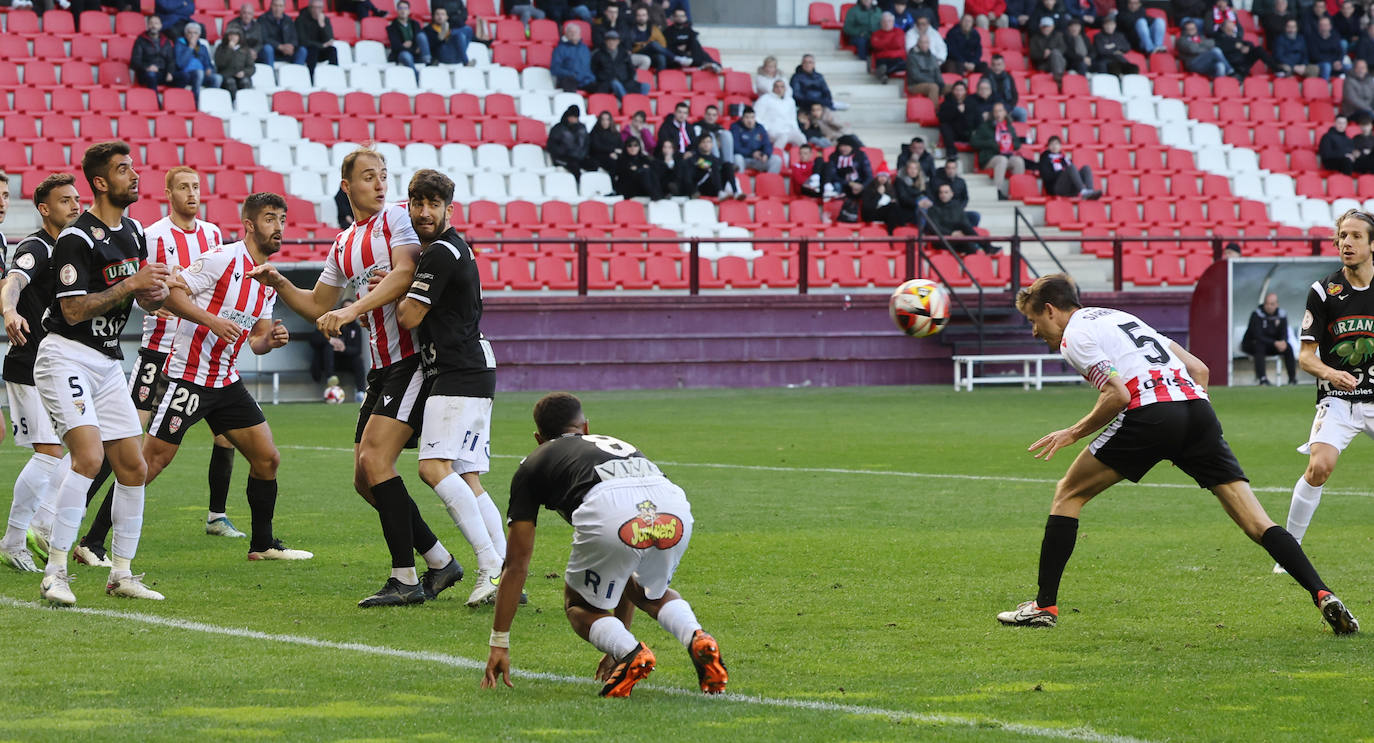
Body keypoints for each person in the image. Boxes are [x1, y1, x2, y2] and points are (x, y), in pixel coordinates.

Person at [999, 274, 1359, 636]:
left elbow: (1117, 395)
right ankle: (1322, 593)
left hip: (1151, 412)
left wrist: (1072, 433)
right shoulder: (1121, 318)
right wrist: (1184, 434)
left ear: (1050, 309)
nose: (1034, 331)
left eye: (1034, 320)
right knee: (1257, 523)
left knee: (1068, 494)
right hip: (1196, 411)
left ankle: (1043, 606)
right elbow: (1199, 369)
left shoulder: (1074, 336)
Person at [246, 148, 462, 608]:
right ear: (347, 187)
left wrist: (351, 309)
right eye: (368, 177)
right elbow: (319, 304)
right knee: (365, 480)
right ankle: (441, 561)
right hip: (381, 370)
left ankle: (404, 578)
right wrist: (280, 283)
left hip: (411, 363)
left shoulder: (399, 221)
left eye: (383, 175)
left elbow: (405, 271)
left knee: (377, 464)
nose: (380, 184)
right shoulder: (344, 243)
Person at [479, 392, 728, 697]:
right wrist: (616, 644)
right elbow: (625, 567)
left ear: (538, 438)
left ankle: (631, 653)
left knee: (579, 605)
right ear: (585, 427)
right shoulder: (616, 444)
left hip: (610, 506)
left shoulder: (534, 462)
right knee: (651, 592)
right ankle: (696, 636)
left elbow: (516, 564)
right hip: (670, 503)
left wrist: (499, 642)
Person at [138, 192, 311, 567]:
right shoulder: (222, 257)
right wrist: (212, 320)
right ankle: (95, 542)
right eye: (269, 219)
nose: (278, 227)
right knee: (151, 463)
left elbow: (258, 340)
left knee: (267, 459)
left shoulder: (267, 279)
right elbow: (171, 292)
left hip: (226, 381)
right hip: (189, 377)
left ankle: (263, 544)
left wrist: (272, 339)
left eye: (281, 219)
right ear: (249, 224)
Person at [78, 167, 241, 563]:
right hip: (158, 349)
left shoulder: (213, 235)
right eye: (183, 187)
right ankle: (79, 506)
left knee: (226, 436)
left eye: (196, 186)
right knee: (128, 436)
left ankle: (217, 515)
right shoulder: (151, 235)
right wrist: (161, 301)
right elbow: (137, 289)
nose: (191, 193)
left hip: (198, 352)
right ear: (168, 193)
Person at [34, 141, 172, 606]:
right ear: (99, 182)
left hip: (109, 361)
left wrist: (157, 293)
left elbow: (141, 296)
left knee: (133, 466)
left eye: (132, 167)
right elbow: (72, 310)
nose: (134, 175)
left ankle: (122, 574)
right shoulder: (77, 238)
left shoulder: (133, 231)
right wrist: (131, 283)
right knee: (89, 458)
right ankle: (55, 573)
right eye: (121, 169)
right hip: (66, 355)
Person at [389, 170, 508, 606]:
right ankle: (508, 571)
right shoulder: (455, 248)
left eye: (433, 204)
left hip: (456, 370)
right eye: (417, 203)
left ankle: (490, 566)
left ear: (448, 210)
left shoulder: (438, 253)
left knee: (432, 467)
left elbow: (409, 318)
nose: (424, 212)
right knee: (467, 475)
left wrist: (394, 285)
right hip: (474, 367)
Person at [1276, 208, 1374, 574]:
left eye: (1355, 236)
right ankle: (1289, 551)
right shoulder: (1324, 291)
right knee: (1319, 467)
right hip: (1339, 399)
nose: (1346, 243)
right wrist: (1332, 373)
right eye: (1342, 236)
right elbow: (1305, 357)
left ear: (1372, 244)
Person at [0, 174, 81, 573]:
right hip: (28, 363)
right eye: (65, 200)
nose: (76, 205)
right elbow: (14, 279)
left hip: (60, 365)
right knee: (50, 452)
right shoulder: (36, 246)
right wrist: (10, 309)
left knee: (84, 446)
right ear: (45, 209)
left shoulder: (73, 247)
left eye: (77, 198)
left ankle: (42, 524)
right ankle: (15, 539)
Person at [309, 300, 367, 399]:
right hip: (326, 362)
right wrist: (330, 340)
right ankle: (331, 380)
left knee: (358, 360)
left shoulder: (355, 327)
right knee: (328, 347)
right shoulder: (330, 321)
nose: (348, 311)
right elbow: (314, 339)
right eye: (345, 308)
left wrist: (344, 349)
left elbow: (357, 350)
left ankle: (361, 393)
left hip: (345, 360)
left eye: (351, 308)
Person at [971, 102, 1027, 200]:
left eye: (1000, 111)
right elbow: (974, 142)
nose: (998, 114)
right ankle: (997, 191)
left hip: (1007, 155)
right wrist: (991, 144)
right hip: (989, 158)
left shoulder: (1009, 127)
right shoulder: (985, 126)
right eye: (995, 111)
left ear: (1005, 113)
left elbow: (1017, 144)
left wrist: (1010, 144)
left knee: (1018, 161)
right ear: (992, 113)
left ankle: (1017, 191)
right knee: (1002, 160)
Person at [1241, 292, 1296, 387]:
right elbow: (1257, 335)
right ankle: (1262, 379)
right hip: (1253, 344)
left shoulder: (1281, 315)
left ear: (1276, 304)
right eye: (1267, 304)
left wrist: (1283, 341)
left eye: (1272, 304)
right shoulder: (1257, 314)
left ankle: (1292, 379)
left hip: (1272, 345)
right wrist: (1274, 343)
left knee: (1288, 347)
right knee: (1259, 346)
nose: (1269, 306)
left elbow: (1284, 332)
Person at [1037, 135, 1102, 199]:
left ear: (1060, 146)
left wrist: (1065, 171)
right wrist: (1062, 172)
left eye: (1056, 144)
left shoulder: (1064, 158)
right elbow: (1046, 176)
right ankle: (1084, 192)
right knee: (1071, 168)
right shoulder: (1045, 158)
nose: (1054, 146)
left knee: (1086, 168)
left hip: (1070, 188)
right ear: (1048, 147)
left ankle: (1090, 192)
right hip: (1057, 188)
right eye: (1052, 144)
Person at [1215, 18, 1281, 79]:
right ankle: (1239, 74)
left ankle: (1278, 70)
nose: (1232, 27)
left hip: (1243, 60)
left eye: (1232, 26)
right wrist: (1235, 47)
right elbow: (1220, 49)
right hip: (1233, 64)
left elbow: (1247, 43)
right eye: (1229, 25)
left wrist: (1247, 47)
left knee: (1259, 49)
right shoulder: (1220, 37)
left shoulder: (1235, 36)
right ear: (1224, 28)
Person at [173, 23, 222, 104]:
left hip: (202, 75)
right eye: (190, 33)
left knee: (218, 78)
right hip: (186, 75)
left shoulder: (202, 47)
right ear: (185, 34)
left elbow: (208, 64)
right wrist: (190, 47)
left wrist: (209, 69)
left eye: (195, 33)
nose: (192, 35)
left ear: (199, 35)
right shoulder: (179, 45)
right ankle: (195, 102)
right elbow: (179, 64)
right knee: (199, 73)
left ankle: (211, 102)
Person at [592, 31, 647, 99]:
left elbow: (631, 69)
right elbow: (594, 70)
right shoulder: (598, 54)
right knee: (615, 84)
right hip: (607, 82)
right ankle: (626, 103)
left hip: (625, 81)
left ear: (618, 41)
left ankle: (640, 103)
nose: (612, 42)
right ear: (605, 41)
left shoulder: (624, 53)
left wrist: (630, 79)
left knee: (645, 86)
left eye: (614, 40)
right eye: (609, 40)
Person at [547, 105, 596, 178]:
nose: (574, 119)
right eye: (572, 117)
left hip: (578, 157)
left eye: (576, 117)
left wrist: (581, 155)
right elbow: (551, 146)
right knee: (574, 168)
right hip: (562, 158)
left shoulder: (581, 128)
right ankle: (577, 186)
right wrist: (565, 153)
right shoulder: (558, 128)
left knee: (594, 164)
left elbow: (586, 144)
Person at [930, 158, 981, 227]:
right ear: (945, 169)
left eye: (953, 168)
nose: (951, 171)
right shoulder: (937, 182)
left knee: (975, 216)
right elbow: (934, 198)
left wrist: (959, 209)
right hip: (943, 212)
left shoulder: (961, 182)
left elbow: (965, 198)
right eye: (949, 168)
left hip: (958, 211)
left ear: (956, 169)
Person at [132, 15, 177, 93]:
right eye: (151, 23)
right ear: (148, 25)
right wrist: (147, 67)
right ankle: (156, 102)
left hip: (162, 73)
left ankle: (175, 101)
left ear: (160, 26)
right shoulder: (140, 40)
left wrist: (170, 72)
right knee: (151, 75)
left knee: (184, 76)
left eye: (156, 23)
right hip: (146, 73)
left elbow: (171, 60)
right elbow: (135, 61)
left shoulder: (166, 41)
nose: (153, 26)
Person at [730, 108, 781, 174]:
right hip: (744, 159)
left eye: (752, 117)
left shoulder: (760, 128)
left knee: (776, 159)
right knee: (737, 158)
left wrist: (766, 154)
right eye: (747, 117)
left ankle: (769, 182)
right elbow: (735, 148)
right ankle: (740, 181)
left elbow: (767, 144)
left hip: (758, 160)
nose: (750, 120)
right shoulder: (735, 127)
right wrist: (752, 153)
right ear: (742, 118)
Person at [754, 81, 805, 148]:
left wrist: (797, 130)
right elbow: (757, 116)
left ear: (785, 88)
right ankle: (777, 155)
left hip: (788, 129)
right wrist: (765, 129)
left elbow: (793, 119)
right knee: (783, 137)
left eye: (782, 87)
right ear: (773, 88)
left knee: (801, 138)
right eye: (777, 86)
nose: (779, 89)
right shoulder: (764, 99)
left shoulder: (790, 101)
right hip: (772, 130)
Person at [387, 0, 432, 77]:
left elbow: (419, 40)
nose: (403, 10)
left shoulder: (415, 24)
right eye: (400, 8)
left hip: (416, 54)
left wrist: (410, 46)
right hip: (402, 53)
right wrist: (414, 49)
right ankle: (417, 76)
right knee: (406, 56)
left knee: (422, 36)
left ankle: (428, 64)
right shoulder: (391, 27)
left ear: (409, 10)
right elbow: (396, 46)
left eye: (405, 8)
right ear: (397, 10)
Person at [937, 80, 979, 159]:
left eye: (961, 90)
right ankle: (951, 153)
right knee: (944, 126)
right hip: (954, 133)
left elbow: (976, 119)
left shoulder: (972, 103)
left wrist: (965, 112)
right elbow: (941, 118)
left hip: (968, 132)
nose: (959, 92)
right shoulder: (947, 102)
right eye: (957, 90)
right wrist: (956, 110)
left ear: (965, 91)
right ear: (953, 91)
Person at [259, 0, 307, 66]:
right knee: (267, 48)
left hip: (287, 52)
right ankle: (270, 74)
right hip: (272, 51)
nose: (278, 8)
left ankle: (296, 74)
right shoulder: (263, 19)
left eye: (280, 6)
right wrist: (280, 46)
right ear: (271, 6)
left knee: (302, 50)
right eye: (275, 5)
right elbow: (263, 38)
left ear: (284, 7)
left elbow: (294, 37)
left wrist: (291, 46)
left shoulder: (288, 20)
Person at [551, 22, 595, 92]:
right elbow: (555, 69)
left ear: (580, 34)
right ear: (566, 34)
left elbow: (589, 66)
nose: (573, 34)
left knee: (602, 87)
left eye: (575, 32)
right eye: (570, 32)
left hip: (585, 80)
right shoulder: (560, 49)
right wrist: (572, 74)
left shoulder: (585, 48)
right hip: (569, 80)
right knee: (569, 83)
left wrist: (591, 77)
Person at [295, 0, 338, 72]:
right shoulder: (301, 19)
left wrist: (322, 25)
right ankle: (311, 78)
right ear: (309, 8)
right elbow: (302, 40)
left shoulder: (325, 19)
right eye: (314, 7)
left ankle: (334, 74)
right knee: (313, 50)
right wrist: (321, 45)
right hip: (308, 50)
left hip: (321, 50)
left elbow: (329, 39)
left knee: (332, 50)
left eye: (319, 8)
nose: (316, 10)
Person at [984, 54, 1028, 122]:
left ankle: (1021, 132)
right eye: (994, 64)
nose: (996, 67)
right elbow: (983, 96)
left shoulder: (1009, 77)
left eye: (999, 64)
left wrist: (1008, 109)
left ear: (1004, 65)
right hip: (991, 107)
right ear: (991, 66)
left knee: (1022, 113)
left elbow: (1015, 95)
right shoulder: (985, 77)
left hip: (1007, 106)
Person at [894, 157, 934, 227]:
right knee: (922, 204)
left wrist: (929, 202)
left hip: (924, 206)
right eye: (911, 168)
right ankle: (923, 231)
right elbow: (903, 198)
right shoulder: (900, 180)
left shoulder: (924, 180)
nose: (913, 171)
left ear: (918, 170)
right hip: (907, 209)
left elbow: (930, 195)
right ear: (906, 169)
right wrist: (917, 203)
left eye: (915, 168)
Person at [215, 28, 255, 97]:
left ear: (239, 37)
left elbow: (251, 67)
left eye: (235, 35)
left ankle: (244, 103)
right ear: (227, 37)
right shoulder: (221, 48)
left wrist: (244, 72)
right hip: (227, 75)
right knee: (230, 82)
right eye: (231, 35)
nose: (233, 37)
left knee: (245, 82)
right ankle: (234, 103)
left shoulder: (245, 49)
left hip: (241, 75)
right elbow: (220, 63)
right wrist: (229, 49)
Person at [905, 33, 943, 105]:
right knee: (934, 87)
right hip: (915, 85)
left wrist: (941, 84)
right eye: (922, 42)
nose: (924, 44)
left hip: (933, 83)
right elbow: (915, 75)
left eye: (926, 42)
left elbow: (937, 72)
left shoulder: (932, 57)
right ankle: (934, 112)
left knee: (954, 88)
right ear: (918, 43)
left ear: (929, 43)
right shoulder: (912, 57)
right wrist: (934, 82)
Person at [627, 5, 669, 70]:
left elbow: (663, 44)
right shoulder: (631, 30)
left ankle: (659, 77)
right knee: (653, 44)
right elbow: (630, 48)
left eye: (643, 15)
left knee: (661, 57)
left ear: (647, 16)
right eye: (639, 15)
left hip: (651, 53)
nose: (641, 17)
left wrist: (650, 45)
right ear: (635, 17)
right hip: (637, 53)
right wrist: (644, 45)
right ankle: (674, 57)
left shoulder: (654, 29)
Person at [1029, 17, 1069, 83]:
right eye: (1044, 26)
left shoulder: (1058, 36)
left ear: (1052, 27)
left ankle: (1057, 75)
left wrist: (1051, 52)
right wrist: (1043, 54)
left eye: (1048, 26)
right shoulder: (1034, 38)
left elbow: (1063, 48)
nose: (1046, 28)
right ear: (1040, 27)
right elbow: (1032, 54)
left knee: (1055, 53)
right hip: (1044, 64)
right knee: (1056, 54)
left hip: (1059, 61)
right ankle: (1058, 77)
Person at [870, 12, 907, 81]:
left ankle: (884, 73)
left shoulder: (899, 31)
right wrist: (891, 41)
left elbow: (898, 44)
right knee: (882, 64)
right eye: (884, 21)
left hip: (897, 58)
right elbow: (876, 45)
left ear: (893, 22)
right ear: (881, 23)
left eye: (889, 21)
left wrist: (883, 43)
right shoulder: (876, 34)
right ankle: (885, 72)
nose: (887, 23)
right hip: (883, 59)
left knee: (903, 64)